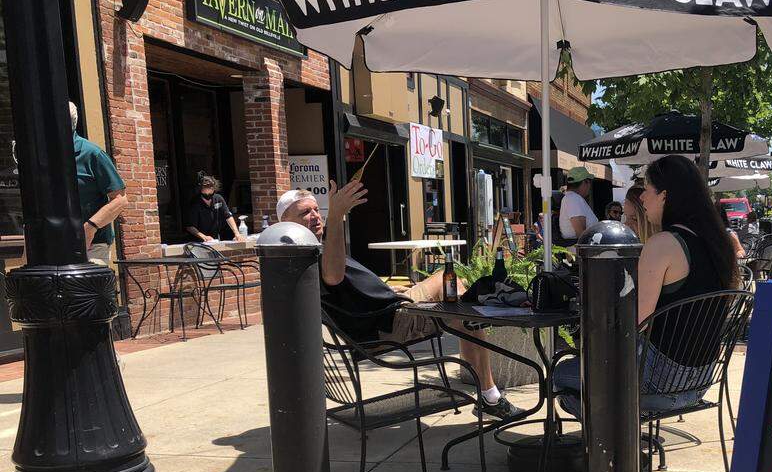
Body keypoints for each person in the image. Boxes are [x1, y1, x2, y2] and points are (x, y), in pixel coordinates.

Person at [278, 184, 522, 420]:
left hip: (389, 310)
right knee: (464, 311)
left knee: (453, 292)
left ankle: (485, 389)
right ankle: (489, 396)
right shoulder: (310, 254)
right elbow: (333, 276)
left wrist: (387, 289)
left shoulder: (312, 250)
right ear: (285, 222)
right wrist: (337, 216)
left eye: (315, 210)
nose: (314, 216)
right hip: (388, 325)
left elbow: (346, 289)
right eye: (304, 213)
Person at [555, 155, 739, 414]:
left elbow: (633, 321)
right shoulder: (717, 243)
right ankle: (621, 440)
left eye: (648, 190)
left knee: (562, 374)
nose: (642, 198)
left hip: (662, 381)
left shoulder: (663, 243)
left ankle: (615, 449)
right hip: (703, 379)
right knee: (593, 381)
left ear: (665, 195)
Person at [70, 102, 127, 265]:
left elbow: (121, 199)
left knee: (87, 290)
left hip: (92, 245)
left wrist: (90, 228)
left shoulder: (92, 154)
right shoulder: (46, 157)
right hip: (57, 243)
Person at [185, 173, 241, 242]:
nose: (208, 194)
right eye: (205, 192)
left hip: (215, 238)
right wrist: (204, 237)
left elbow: (228, 216)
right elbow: (190, 226)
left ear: (214, 189)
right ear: (201, 189)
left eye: (210, 192)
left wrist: (237, 233)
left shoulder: (218, 199)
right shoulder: (195, 203)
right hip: (198, 240)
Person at [557, 166, 597, 246]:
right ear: (584, 182)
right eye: (589, 182)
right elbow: (581, 234)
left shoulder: (572, 198)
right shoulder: (573, 198)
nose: (590, 186)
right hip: (580, 252)